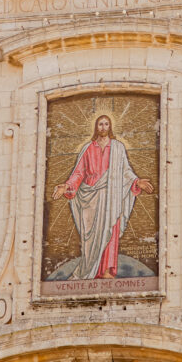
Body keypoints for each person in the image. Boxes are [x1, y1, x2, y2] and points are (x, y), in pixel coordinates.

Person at [52, 115, 154, 279]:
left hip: (111, 197)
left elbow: (125, 171)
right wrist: (66, 186)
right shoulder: (88, 148)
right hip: (91, 199)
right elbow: (79, 173)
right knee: (91, 240)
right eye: (100, 124)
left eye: (106, 124)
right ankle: (91, 270)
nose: (103, 127)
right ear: (96, 127)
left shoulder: (118, 148)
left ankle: (107, 270)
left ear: (110, 126)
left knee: (110, 232)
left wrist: (137, 181)